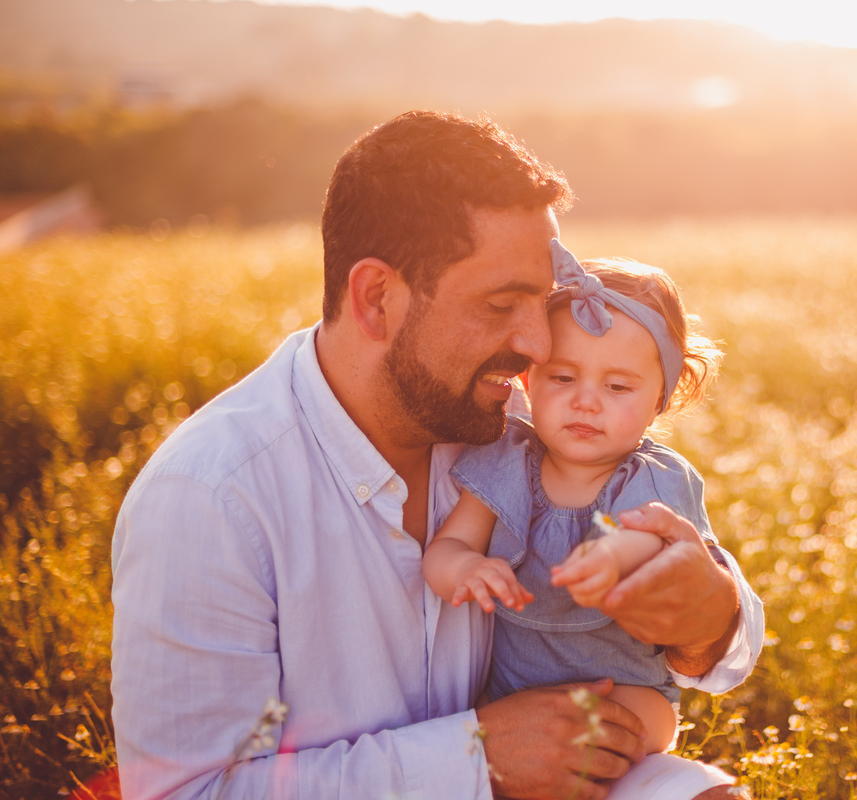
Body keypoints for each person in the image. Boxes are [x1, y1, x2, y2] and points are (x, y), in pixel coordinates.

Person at [110, 110, 764, 800]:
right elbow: (188, 792)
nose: (539, 348)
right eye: (500, 304)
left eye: (541, 303)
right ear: (376, 298)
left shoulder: (514, 419)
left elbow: (713, 637)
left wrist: (711, 617)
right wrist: (476, 759)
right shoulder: (209, 498)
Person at [424, 245, 725, 755]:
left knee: (639, 727)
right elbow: (448, 545)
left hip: (622, 688)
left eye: (617, 386)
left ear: (659, 401)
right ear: (528, 380)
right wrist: (465, 569)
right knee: (474, 731)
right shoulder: (507, 459)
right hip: (509, 695)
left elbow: (650, 543)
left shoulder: (650, 476)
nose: (586, 400)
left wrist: (609, 555)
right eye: (563, 378)